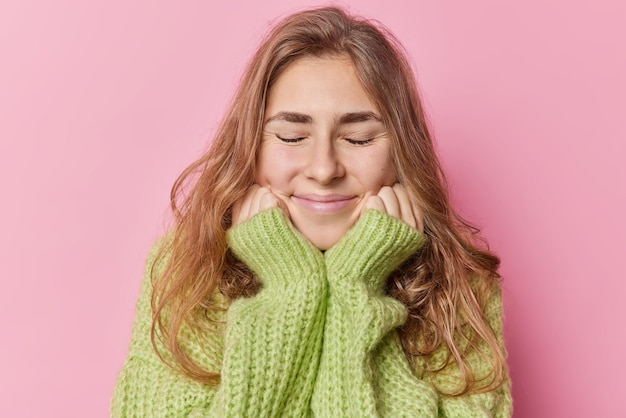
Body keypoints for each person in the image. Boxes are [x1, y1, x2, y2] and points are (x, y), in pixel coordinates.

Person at [111, 6, 512, 417]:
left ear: (401, 154)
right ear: (251, 146)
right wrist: (291, 290)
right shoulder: (186, 269)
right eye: (292, 136)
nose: (324, 169)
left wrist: (357, 285)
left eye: (357, 139)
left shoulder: (461, 284)